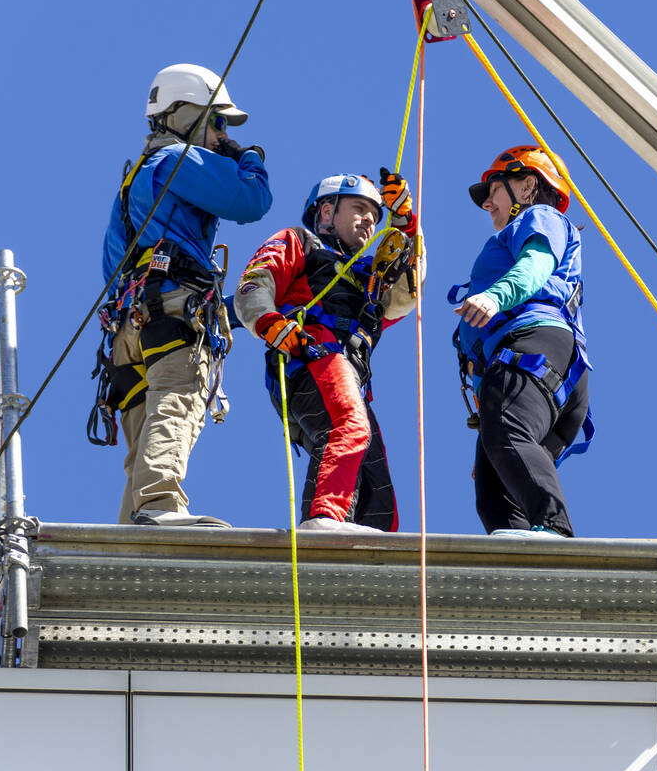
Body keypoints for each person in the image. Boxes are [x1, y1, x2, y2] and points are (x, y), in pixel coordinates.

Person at [98, 63, 272, 526]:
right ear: (184, 116)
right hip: (172, 316)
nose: (221, 135)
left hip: (129, 330)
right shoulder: (179, 161)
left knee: (144, 437)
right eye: (216, 122)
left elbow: (111, 267)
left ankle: (130, 534)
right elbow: (252, 201)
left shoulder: (132, 182)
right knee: (176, 402)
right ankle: (159, 506)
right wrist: (247, 157)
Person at [235, 172, 425, 532]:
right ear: (326, 212)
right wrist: (270, 323)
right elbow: (254, 284)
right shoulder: (301, 242)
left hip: (347, 373)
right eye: (359, 207)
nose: (370, 218)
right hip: (312, 356)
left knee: (374, 482)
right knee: (349, 427)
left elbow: (404, 297)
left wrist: (405, 224)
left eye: (375, 212)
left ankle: (371, 561)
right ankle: (324, 519)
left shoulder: (370, 275)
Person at [452, 145, 591, 538]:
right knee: (493, 489)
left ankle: (553, 529)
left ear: (528, 186)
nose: (488, 204)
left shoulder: (540, 217)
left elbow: (536, 264)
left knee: (506, 431)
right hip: (553, 376)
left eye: (494, 189)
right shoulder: (524, 225)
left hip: (534, 352)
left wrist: (495, 296)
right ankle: (524, 562)